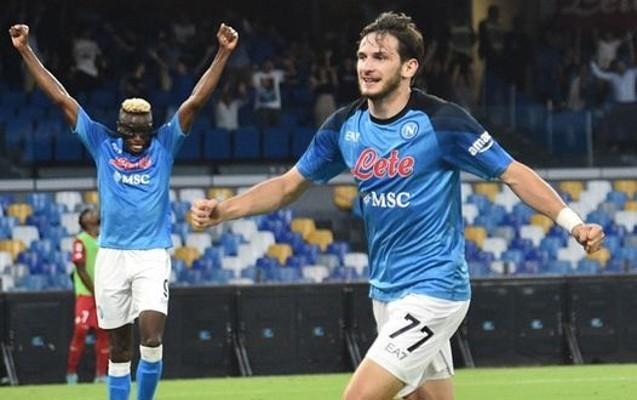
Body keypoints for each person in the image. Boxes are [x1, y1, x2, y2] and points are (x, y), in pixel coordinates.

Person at [190, 12, 605, 400]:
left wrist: (574, 223)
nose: (366, 66)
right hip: (386, 293)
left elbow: (513, 173)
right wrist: (224, 210)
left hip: (435, 290)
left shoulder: (442, 122)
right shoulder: (344, 126)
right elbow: (287, 186)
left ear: (409, 67)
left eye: (380, 57)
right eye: (362, 56)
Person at [10, 22, 238, 400]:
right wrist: (25, 50)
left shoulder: (164, 144)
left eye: (142, 132)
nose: (137, 138)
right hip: (112, 256)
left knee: (151, 338)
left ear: (150, 129)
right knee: (118, 350)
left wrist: (223, 54)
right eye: (131, 132)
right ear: (120, 127)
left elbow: (194, 102)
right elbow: (62, 99)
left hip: (151, 256)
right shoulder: (102, 144)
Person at [66, 207, 109, 384]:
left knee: (103, 332)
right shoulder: (80, 240)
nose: (94, 214)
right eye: (89, 213)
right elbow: (80, 268)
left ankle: (101, 375)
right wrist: (94, 290)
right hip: (86, 293)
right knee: (81, 330)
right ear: (83, 221)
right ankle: (71, 373)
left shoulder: (105, 238)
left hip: (103, 294)